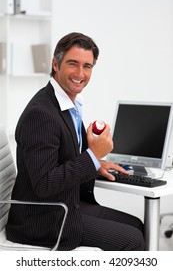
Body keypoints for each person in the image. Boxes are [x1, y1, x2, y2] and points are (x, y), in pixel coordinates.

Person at [6, 32, 145, 250]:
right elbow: (44, 184)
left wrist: (96, 164)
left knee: (136, 225)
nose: (80, 73)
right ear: (55, 64)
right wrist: (93, 156)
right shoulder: (41, 114)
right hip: (44, 217)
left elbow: (65, 159)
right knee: (132, 240)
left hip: (68, 203)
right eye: (73, 63)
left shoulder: (70, 104)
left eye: (87, 66)